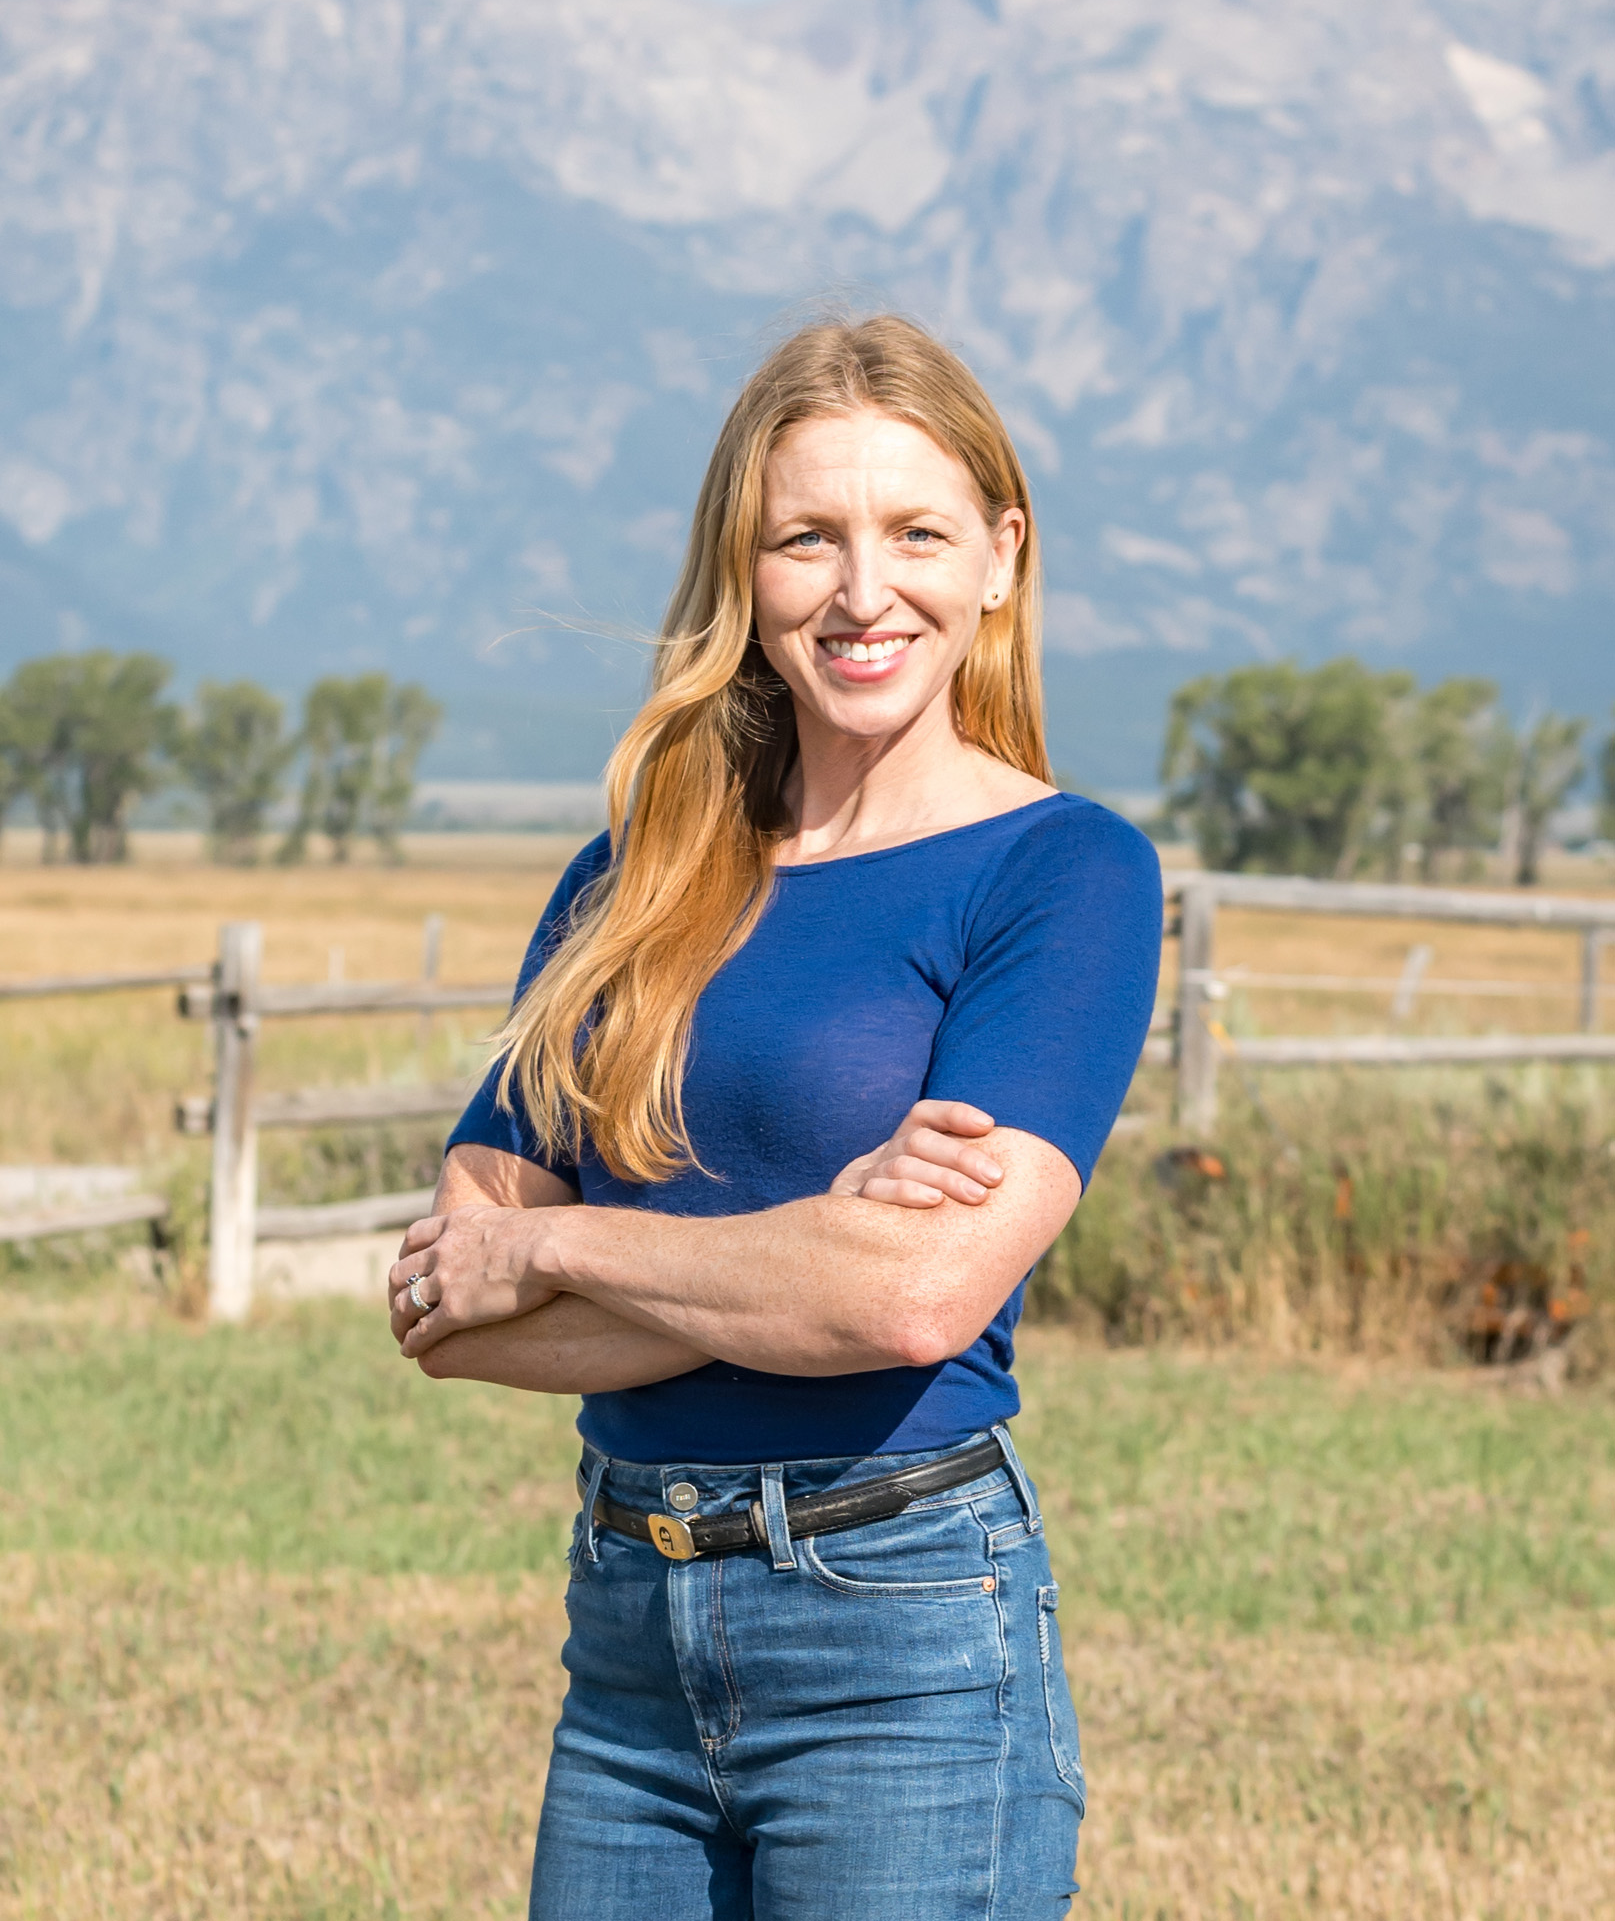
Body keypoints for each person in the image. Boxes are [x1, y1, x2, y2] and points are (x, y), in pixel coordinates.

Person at [388, 314, 1162, 1920]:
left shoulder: (1063, 874)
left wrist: (582, 1248)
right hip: (626, 1640)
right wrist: (802, 1256)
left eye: (918, 533)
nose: (864, 590)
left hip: (900, 1630)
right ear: (743, 569)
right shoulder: (633, 881)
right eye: (808, 537)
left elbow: (917, 1294)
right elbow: (451, 1305)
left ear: (1003, 558)